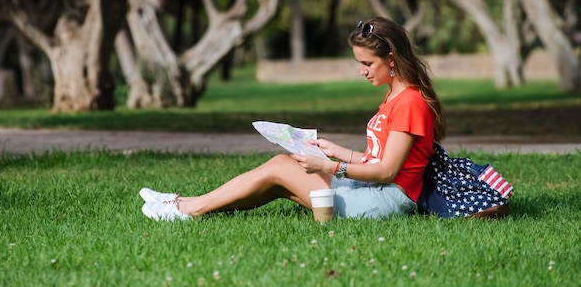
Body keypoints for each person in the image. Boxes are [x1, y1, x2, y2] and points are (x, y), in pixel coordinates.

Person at [140, 16, 446, 221]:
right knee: (277, 179)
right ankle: (188, 204)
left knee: (280, 168)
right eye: (358, 62)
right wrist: (336, 151)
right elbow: (376, 158)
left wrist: (330, 167)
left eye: (367, 63)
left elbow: (387, 172)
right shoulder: (396, 97)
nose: (362, 71)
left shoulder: (409, 102)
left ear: (390, 59)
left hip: (384, 200)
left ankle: (186, 209)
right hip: (374, 191)